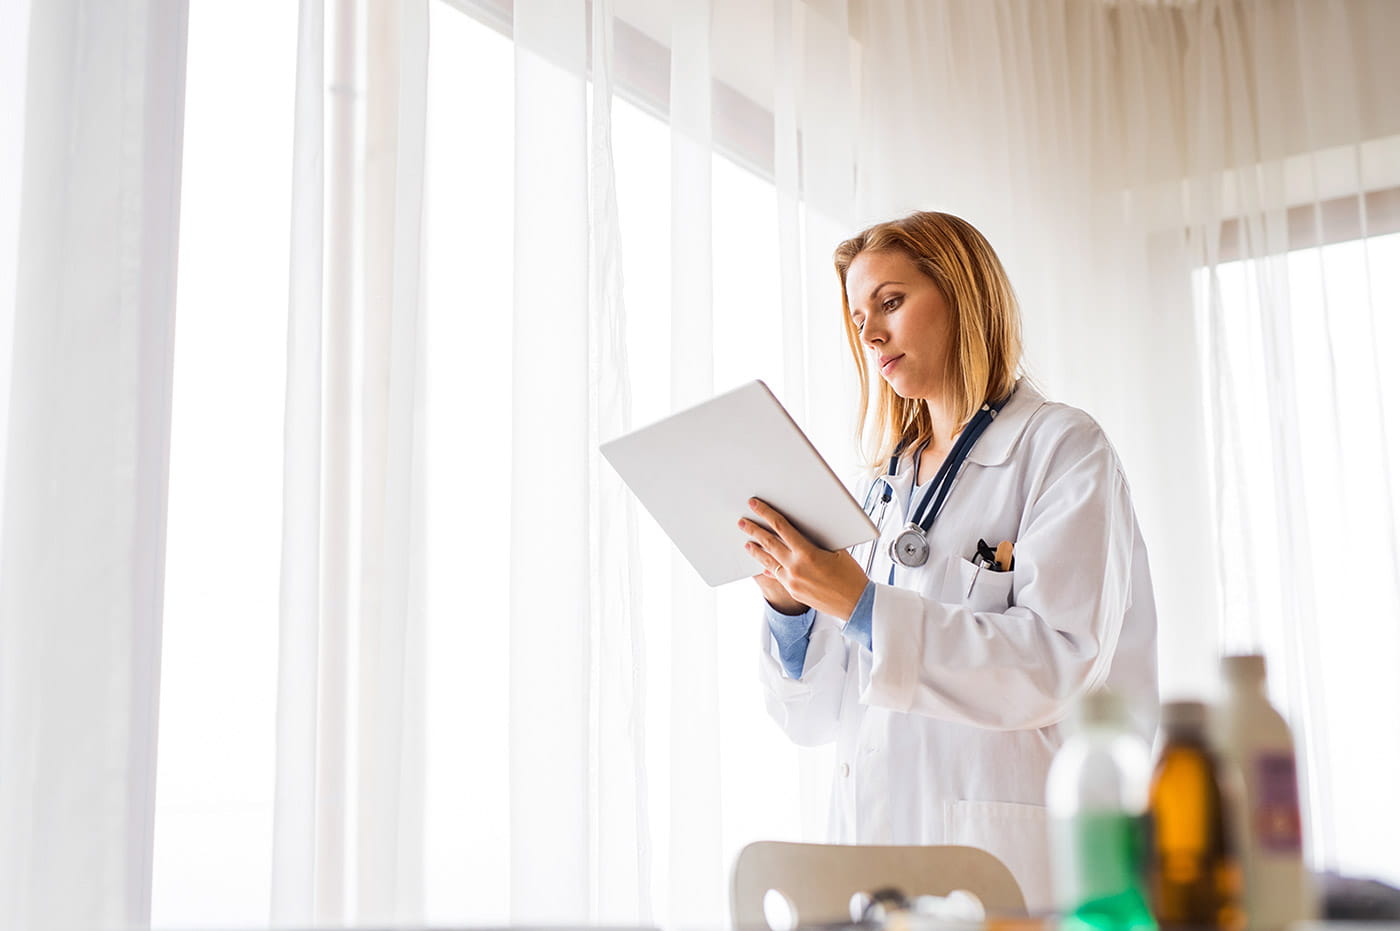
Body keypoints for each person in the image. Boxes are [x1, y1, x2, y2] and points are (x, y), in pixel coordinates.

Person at [738, 211, 1158, 913]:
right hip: (874, 867)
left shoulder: (1061, 448)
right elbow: (817, 721)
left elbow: (1061, 662)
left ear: (963, 295)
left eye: (891, 302)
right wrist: (792, 605)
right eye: (858, 315)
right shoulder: (882, 484)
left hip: (1007, 867)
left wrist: (864, 605)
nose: (870, 333)